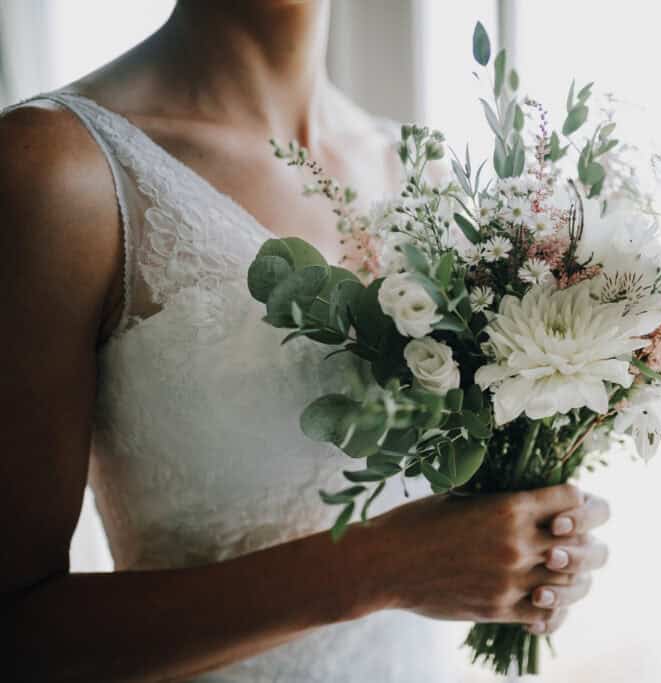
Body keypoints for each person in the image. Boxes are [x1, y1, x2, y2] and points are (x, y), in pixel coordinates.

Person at [0, 1, 610, 680]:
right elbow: (18, 633)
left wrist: (525, 550)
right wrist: (384, 565)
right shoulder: (56, 168)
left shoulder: (423, 175)